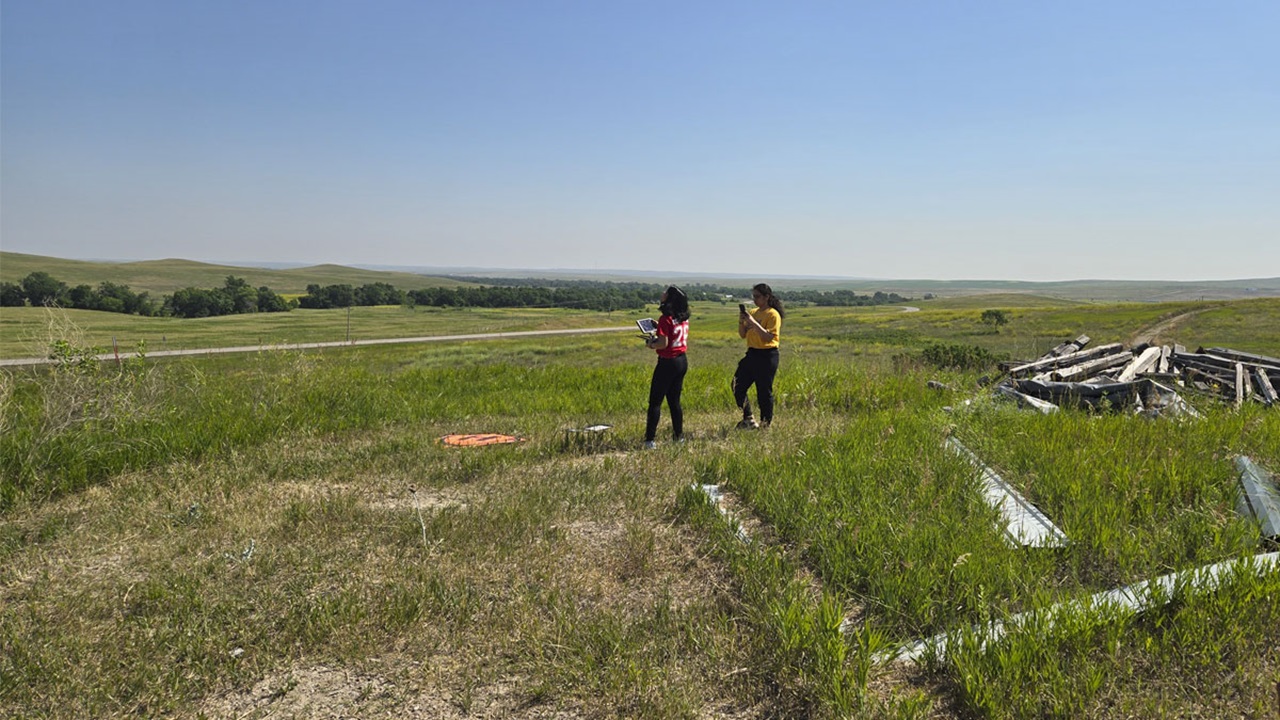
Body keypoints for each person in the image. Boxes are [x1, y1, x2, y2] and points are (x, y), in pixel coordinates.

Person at [642, 286, 690, 449]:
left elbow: (663, 343)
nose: (662, 293)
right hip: (682, 361)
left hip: (667, 362)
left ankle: (649, 440)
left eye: (665, 292)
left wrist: (651, 344)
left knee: (655, 402)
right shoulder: (682, 317)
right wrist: (659, 327)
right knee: (674, 401)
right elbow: (673, 333)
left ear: (670, 298)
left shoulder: (665, 318)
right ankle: (679, 437)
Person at [733, 282, 783, 428]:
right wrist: (742, 321)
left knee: (764, 391)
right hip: (752, 354)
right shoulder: (753, 312)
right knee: (737, 386)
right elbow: (742, 335)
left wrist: (753, 322)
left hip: (767, 355)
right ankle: (748, 418)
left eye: (757, 296)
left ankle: (765, 423)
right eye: (753, 296)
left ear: (767, 297)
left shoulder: (773, 314)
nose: (755, 299)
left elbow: (768, 337)